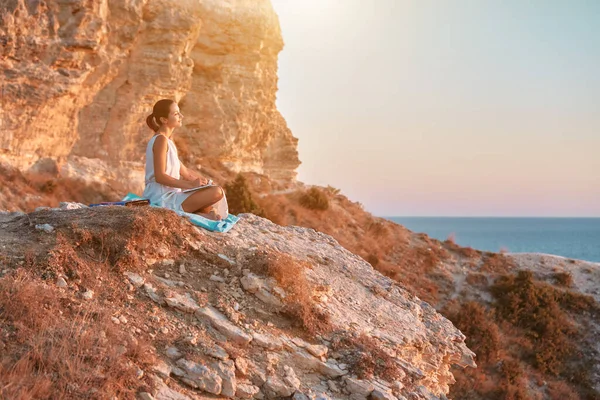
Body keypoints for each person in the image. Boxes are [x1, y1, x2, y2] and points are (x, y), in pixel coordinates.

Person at [143, 99, 224, 220]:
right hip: (161, 198)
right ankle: (198, 214)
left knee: (213, 193)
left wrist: (203, 183)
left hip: (172, 196)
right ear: (164, 120)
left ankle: (199, 214)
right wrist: (190, 185)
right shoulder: (160, 140)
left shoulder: (168, 141)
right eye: (176, 114)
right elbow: (160, 176)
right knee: (216, 192)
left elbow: (185, 171)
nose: (181, 116)